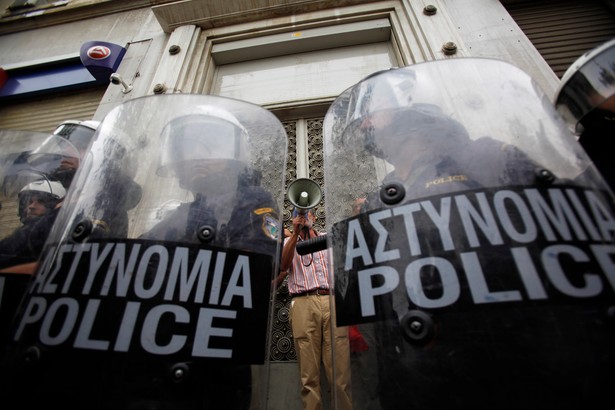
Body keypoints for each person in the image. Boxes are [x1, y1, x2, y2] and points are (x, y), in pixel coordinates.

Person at [279, 207, 352, 410]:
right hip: (303, 302)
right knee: (308, 375)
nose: (303, 217)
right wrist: (294, 233)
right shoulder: (289, 243)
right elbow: (283, 266)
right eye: (298, 214)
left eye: (307, 213)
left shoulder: (328, 238)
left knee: (340, 372)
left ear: (314, 216)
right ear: (292, 219)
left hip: (332, 300)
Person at [0, 178, 65, 270]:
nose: (31, 206)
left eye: (41, 201)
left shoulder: (60, 236)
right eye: (29, 202)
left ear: (56, 205)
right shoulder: (20, 237)